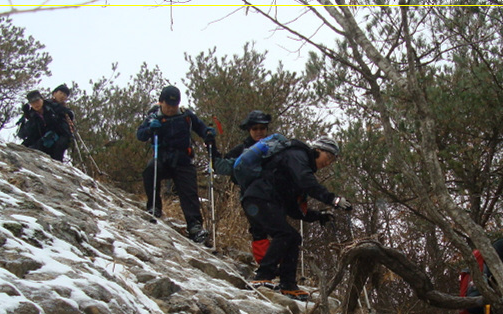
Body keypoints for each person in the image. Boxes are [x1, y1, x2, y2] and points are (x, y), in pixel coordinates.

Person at [241, 136, 351, 301]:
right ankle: (262, 276)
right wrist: (332, 199)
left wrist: (318, 215)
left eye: (332, 161)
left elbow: (294, 209)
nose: (328, 163)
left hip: (266, 201)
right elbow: (306, 181)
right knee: (285, 234)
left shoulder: (298, 166)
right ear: (317, 150)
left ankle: (288, 284)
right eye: (328, 157)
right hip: (258, 199)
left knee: (293, 237)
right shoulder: (298, 154)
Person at [136, 85, 216, 243]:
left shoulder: (186, 116)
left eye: (174, 105)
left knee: (189, 192)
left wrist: (208, 133)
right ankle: (154, 207)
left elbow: (201, 128)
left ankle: (195, 227)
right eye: (168, 105)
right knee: (150, 170)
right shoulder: (153, 117)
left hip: (183, 161)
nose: (172, 109)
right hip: (162, 159)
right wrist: (150, 130)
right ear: (161, 102)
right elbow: (140, 135)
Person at [224, 110, 273, 264]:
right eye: (255, 129)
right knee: (259, 230)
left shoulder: (275, 146)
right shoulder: (241, 150)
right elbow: (226, 165)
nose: (259, 132)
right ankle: (264, 265)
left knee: (279, 231)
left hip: (274, 195)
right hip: (251, 197)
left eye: (262, 128)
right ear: (249, 130)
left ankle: (276, 265)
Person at [16, 90, 72, 162]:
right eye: (33, 102)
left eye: (37, 101)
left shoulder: (52, 106)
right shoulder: (30, 115)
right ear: (30, 104)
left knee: (60, 144)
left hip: (57, 138)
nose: (36, 104)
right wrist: (28, 117)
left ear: (42, 99)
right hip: (42, 141)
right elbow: (22, 134)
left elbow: (69, 114)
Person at [45, 84, 74, 161]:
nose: (62, 96)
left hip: (62, 135)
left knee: (58, 155)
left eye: (65, 95)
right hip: (47, 133)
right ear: (54, 93)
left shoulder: (67, 111)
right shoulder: (46, 104)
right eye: (60, 93)